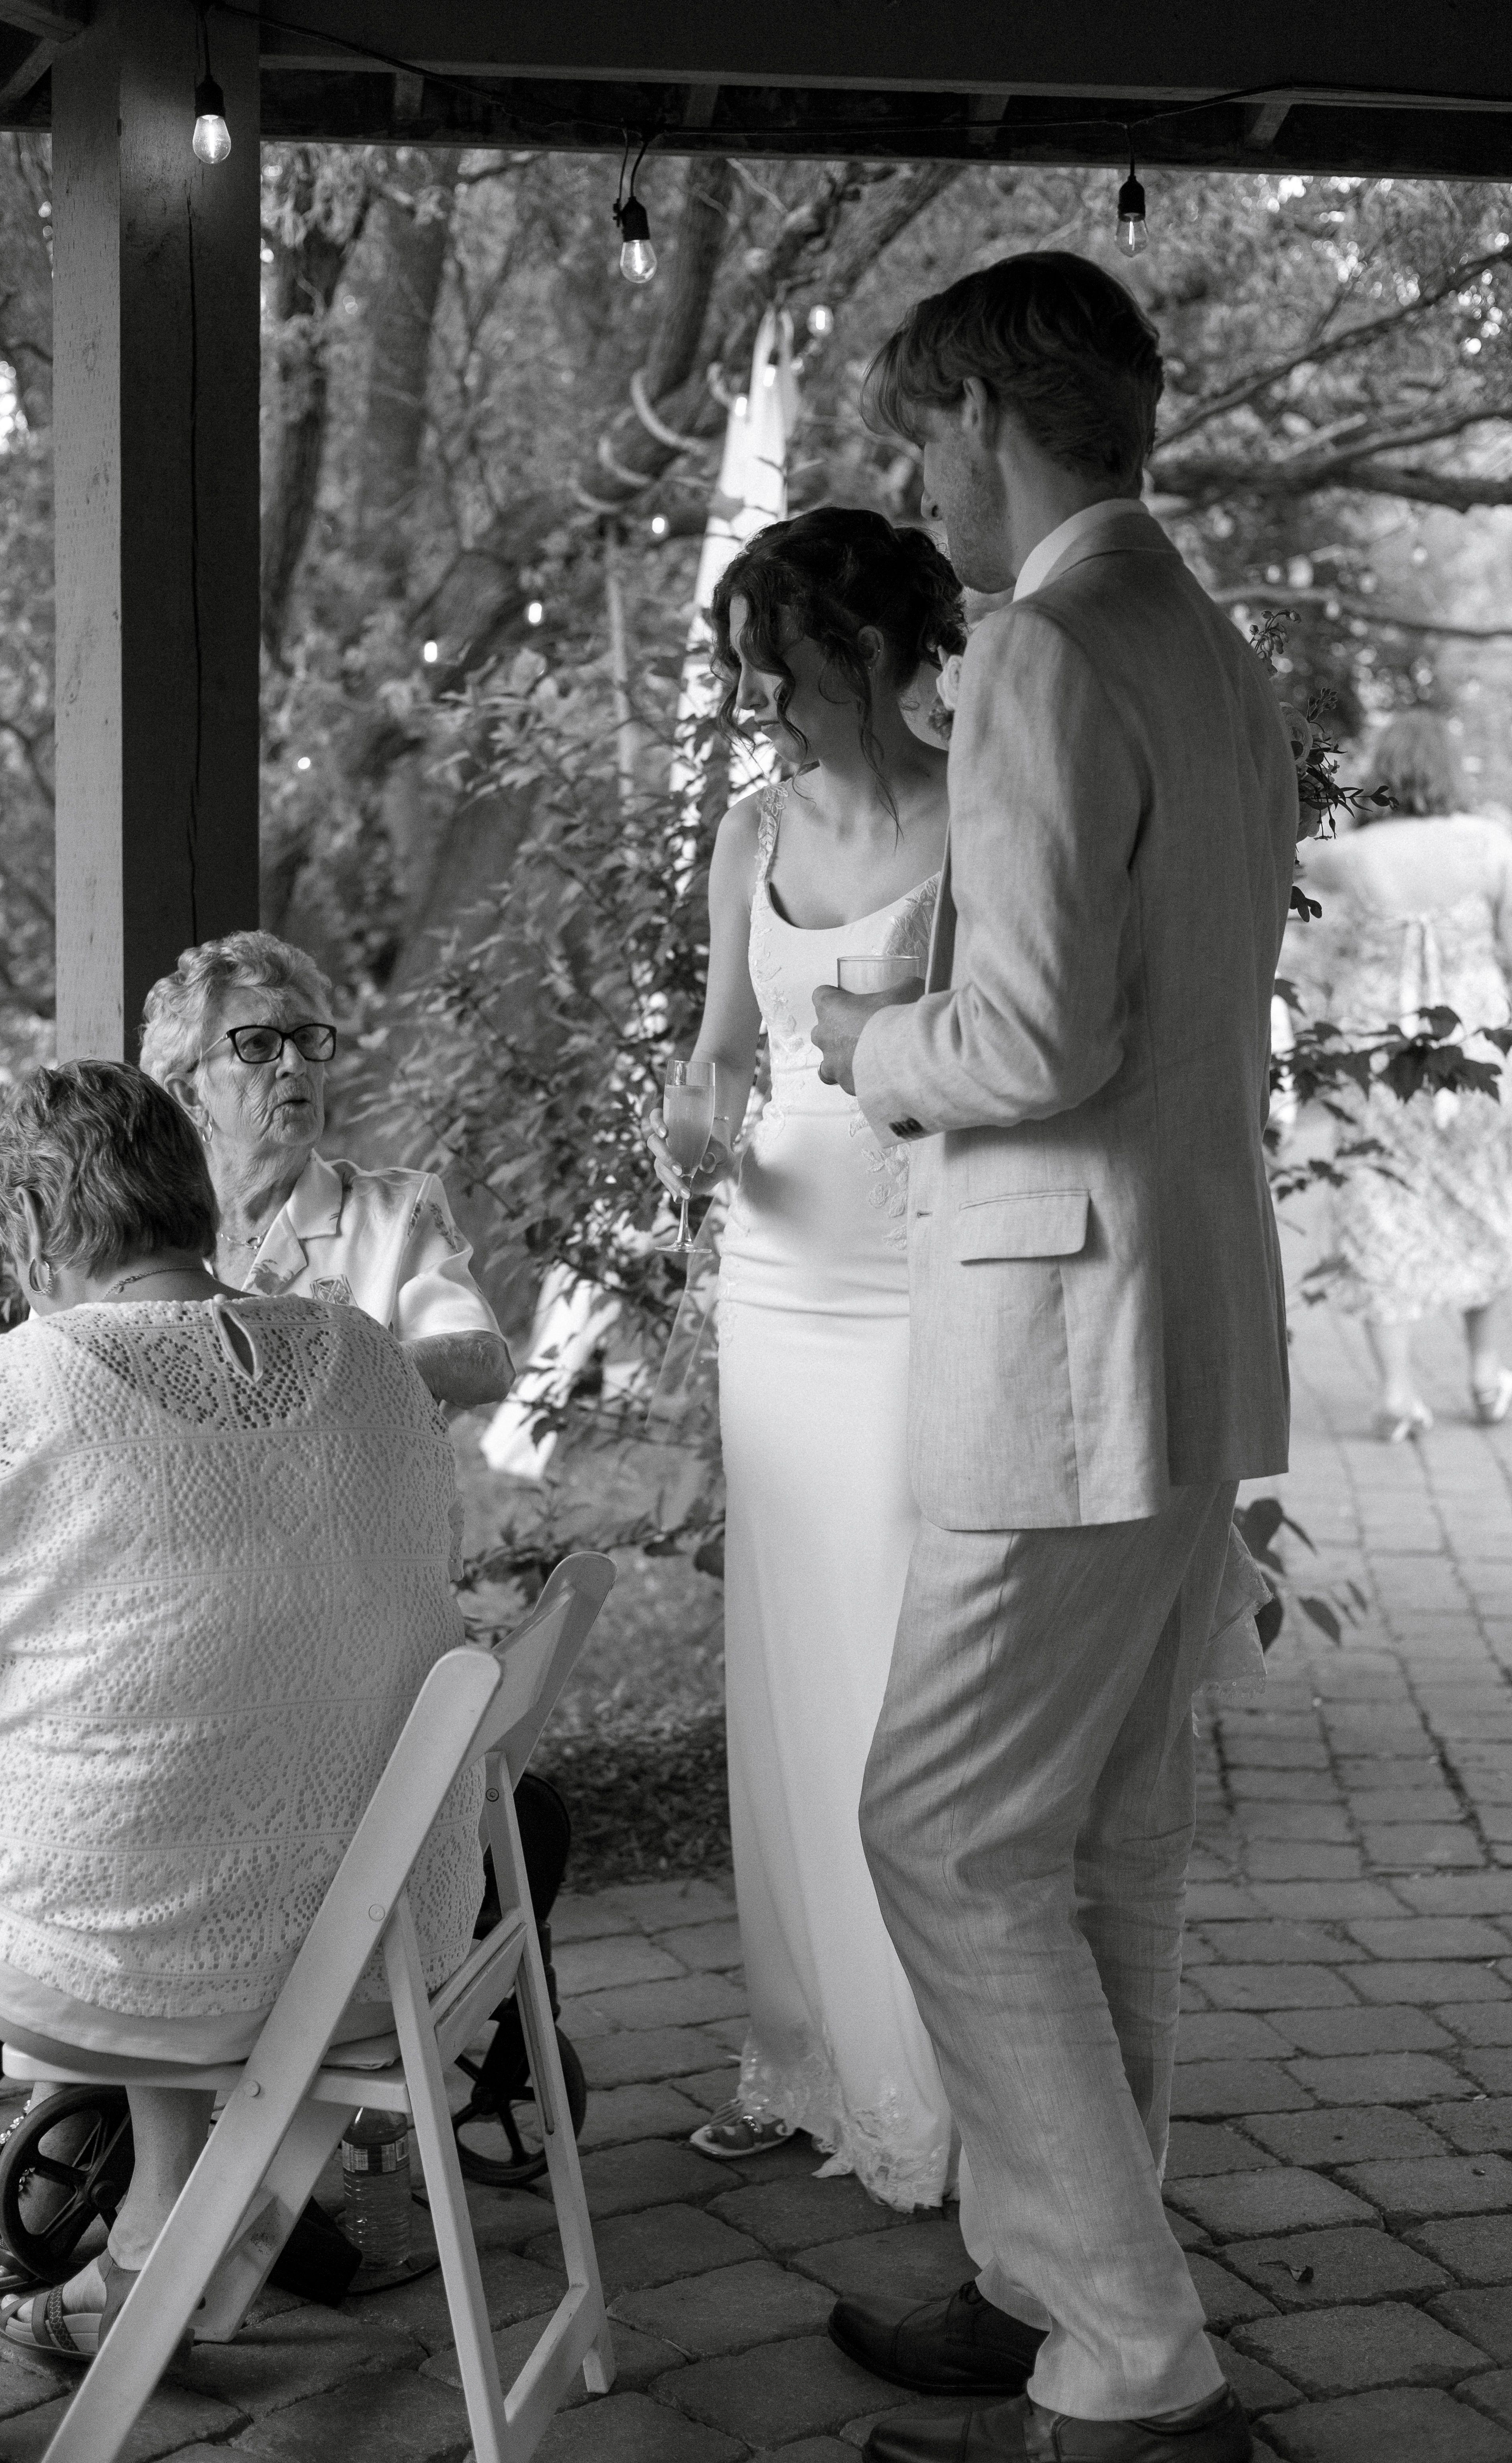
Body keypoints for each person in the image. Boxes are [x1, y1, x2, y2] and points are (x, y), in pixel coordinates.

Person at [810, 254, 1296, 2463]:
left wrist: (858, 1035)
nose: (923, 494)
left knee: (938, 1825)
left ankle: (1125, 2348)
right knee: (1102, 1832)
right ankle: (1049, 2281)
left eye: (922, 445)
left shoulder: (1036, 655)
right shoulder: (1213, 653)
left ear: (994, 423)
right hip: (1192, 1314)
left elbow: (1024, 1036)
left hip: (1059, 1333)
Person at [0, 1063, 481, 2395]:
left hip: (141, 1953)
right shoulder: (370, 1359)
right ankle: (151, 2242)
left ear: (36, 1220)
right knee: (187, 1761)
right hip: (378, 1938)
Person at [647, 506, 967, 2206]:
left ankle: (934, 2070)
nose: (756, 686)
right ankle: (799, 2048)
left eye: (783, 654)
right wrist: (691, 1124)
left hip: (921, 1288)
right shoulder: (748, 826)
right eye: (745, 657)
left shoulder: (978, 822)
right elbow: (718, 1052)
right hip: (777, 1280)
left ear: (871, 650)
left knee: (898, 1680)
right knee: (783, 1673)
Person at [140, 930, 513, 1409]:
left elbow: (486, 1362)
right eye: (257, 1045)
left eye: (308, 1038)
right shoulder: (144, 1230)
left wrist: (318, 1374)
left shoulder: (393, 1212)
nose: (295, 1062)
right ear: (189, 1094)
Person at [1295, 710, 1512, 1438]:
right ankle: (1485, 1378)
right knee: (1486, 1198)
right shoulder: (1491, 844)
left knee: (1377, 1197)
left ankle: (1394, 1392)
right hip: (1474, 1049)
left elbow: (1287, 862)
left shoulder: (1352, 858)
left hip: (1375, 1052)